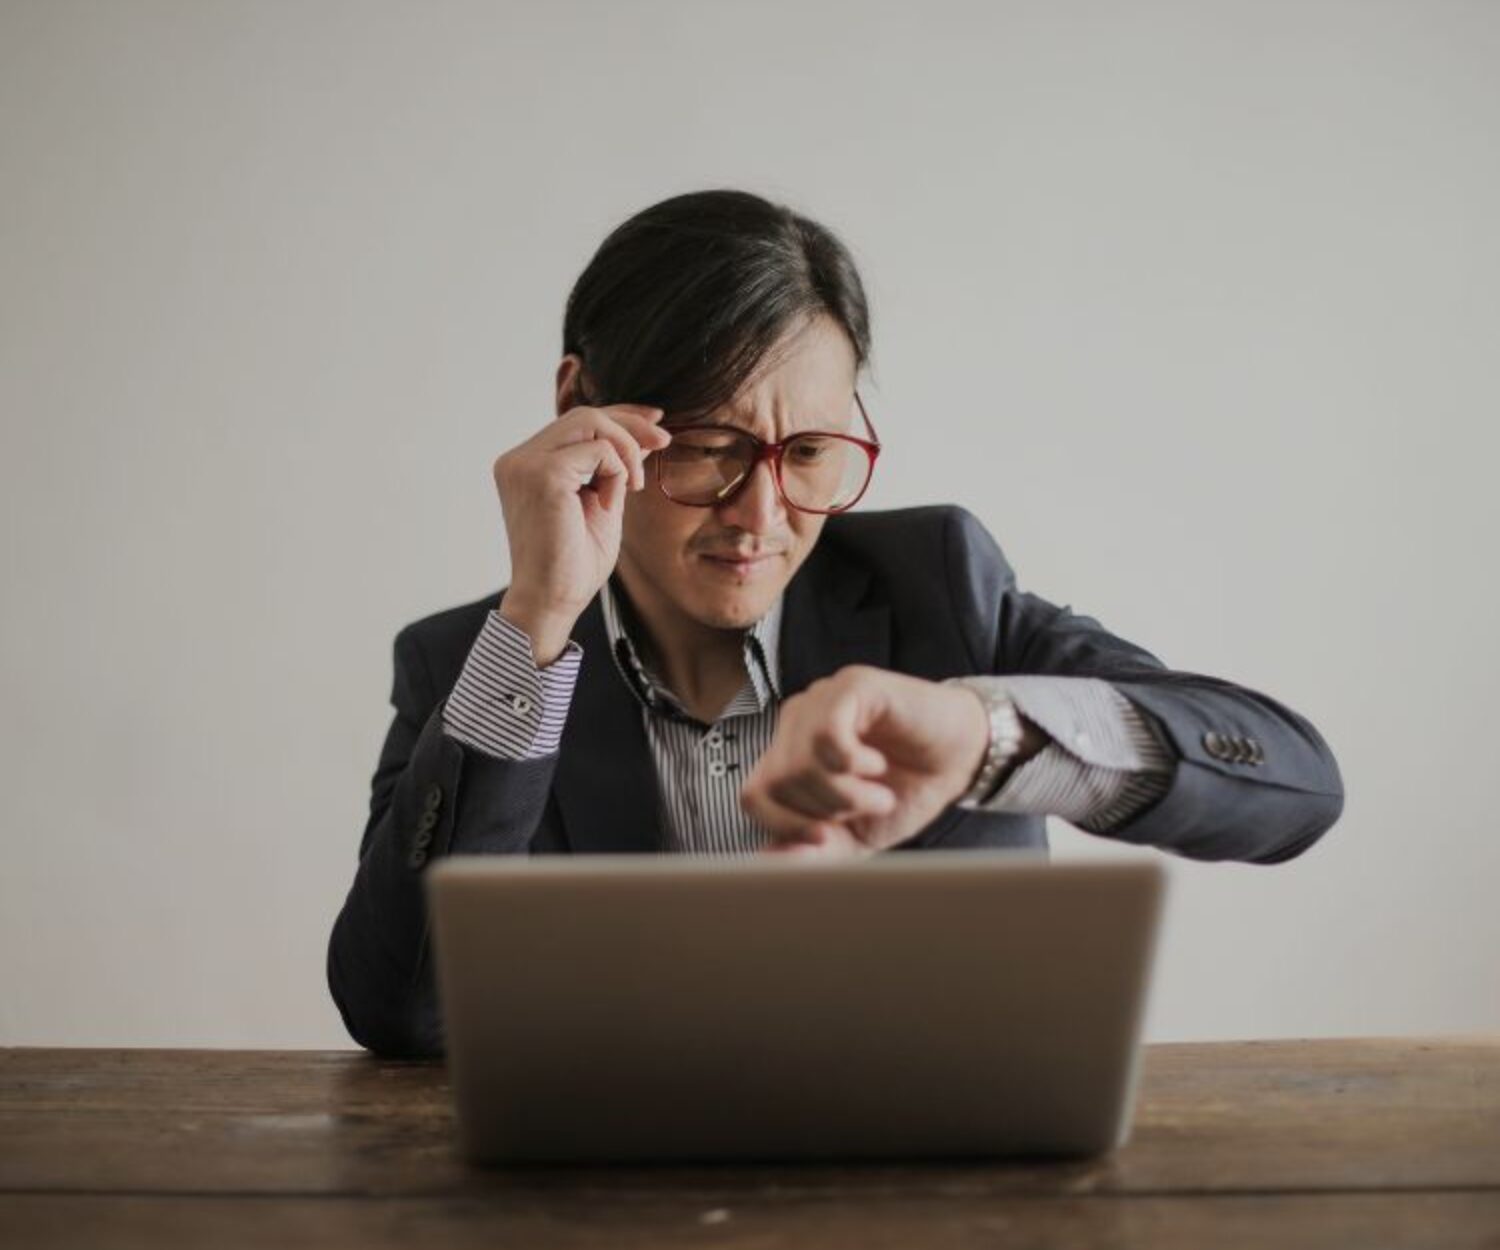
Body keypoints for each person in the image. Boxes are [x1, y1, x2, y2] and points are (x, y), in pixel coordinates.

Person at [328, 188, 1345, 1058]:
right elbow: (401, 1008)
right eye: (709, 447)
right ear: (580, 410)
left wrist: (986, 740)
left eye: (810, 451)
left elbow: (1292, 783)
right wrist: (540, 621)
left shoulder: (939, 585)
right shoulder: (470, 663)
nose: (762, 518)